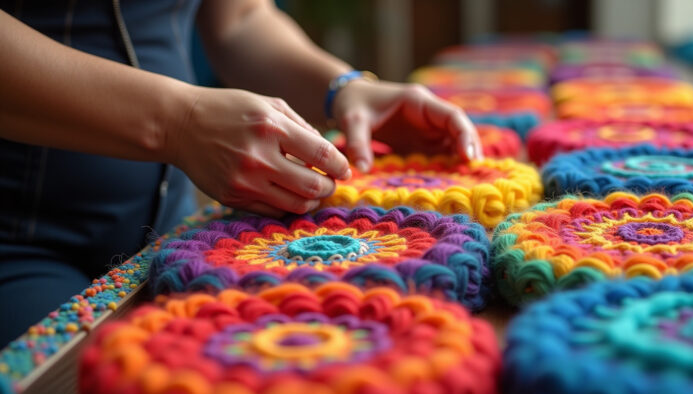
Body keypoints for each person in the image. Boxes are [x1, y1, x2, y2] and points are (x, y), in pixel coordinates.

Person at [0, 0, 481, 345]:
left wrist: (342, 88)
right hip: (17, 241)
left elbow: (240, 19)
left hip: (167, 235)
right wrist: (179, 121)